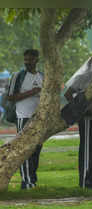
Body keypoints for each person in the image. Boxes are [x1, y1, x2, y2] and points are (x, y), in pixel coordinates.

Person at [7, 49, 43, 190]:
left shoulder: (42, 76)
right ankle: (27, 182)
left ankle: (32, 179)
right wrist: (31, 93)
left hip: (39, 118)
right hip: (23, 116)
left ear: (36, 60)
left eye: (30, 59)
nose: (27, 62)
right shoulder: (18, 76)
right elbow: (10, 97)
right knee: (25, 149)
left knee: (36, 150)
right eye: (25, 60)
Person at [64, 87, 92, 190]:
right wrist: (78, 110)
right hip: (86, 118)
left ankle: (90, 179)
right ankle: (84, 180)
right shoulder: (83, 79)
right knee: (87, 150)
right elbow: (68, 94)